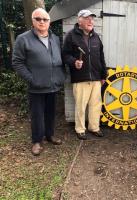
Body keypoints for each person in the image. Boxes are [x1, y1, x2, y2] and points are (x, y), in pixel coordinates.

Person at [12, 8, 65, 156]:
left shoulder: (54, 38)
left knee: (50, 113)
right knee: (37, 115)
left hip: (53, 85)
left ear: (49, 22)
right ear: (33, 21)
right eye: (38, 19)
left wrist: (61, 75)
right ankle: (36, 141)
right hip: (36, 86)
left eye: (45, 19)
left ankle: (49, 135)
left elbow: (59, 59)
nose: (42, 22)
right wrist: (31, 79)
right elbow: (17, 63)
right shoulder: (23, 39)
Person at [62, 10, 107, 140]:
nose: (91, 21)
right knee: (81, 105)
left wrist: (103, 75)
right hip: (80, 78)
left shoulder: (96, 37)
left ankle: (94, 127)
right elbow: (64, 55)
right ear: (79, 20)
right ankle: (80, 129)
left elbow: (101, 57)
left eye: (92, 19)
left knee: (96, 104)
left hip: (96, 78)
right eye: (87, 18)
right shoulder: (71, 36)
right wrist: (74, 62)